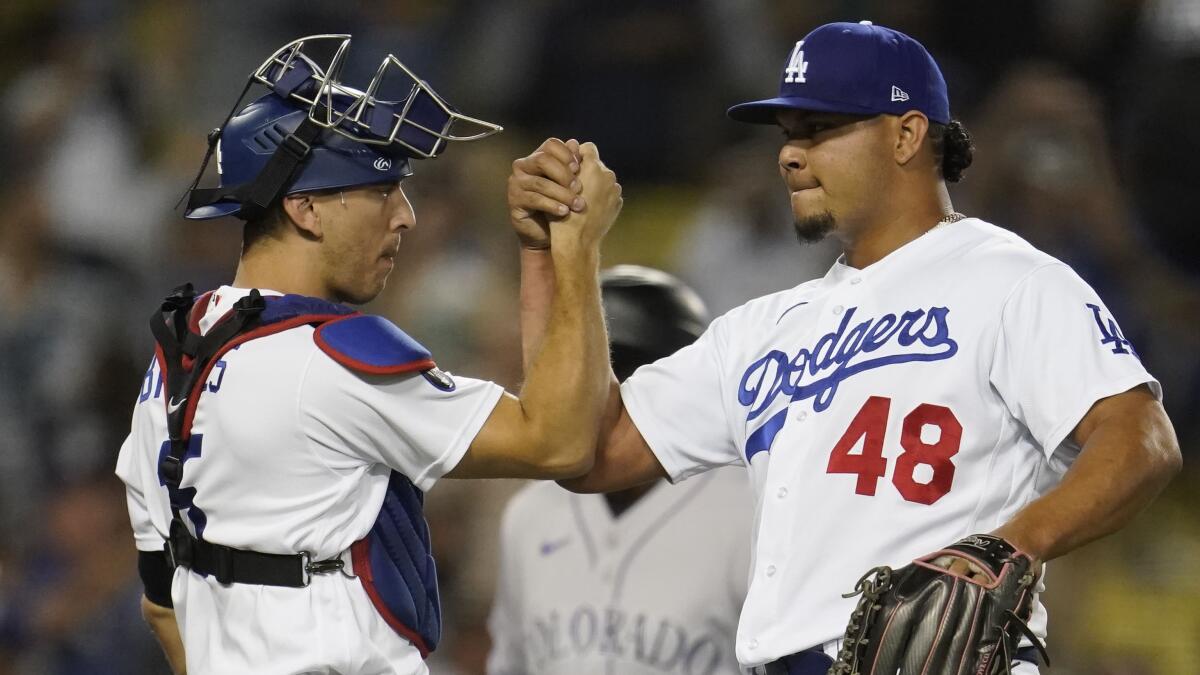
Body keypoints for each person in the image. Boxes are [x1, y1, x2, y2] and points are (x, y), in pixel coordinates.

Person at [512, 20, 1181, 675]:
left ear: (907, 134)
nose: (789, 153)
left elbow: (1142, 440)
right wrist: (550, 254)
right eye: (788, 133)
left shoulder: (1011, 281)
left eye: (820, 129)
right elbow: (580, 448)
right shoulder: (765, 327)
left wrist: (1009, 548)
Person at [115, 35, 621, 675]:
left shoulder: (171, 362)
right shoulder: (328, 359)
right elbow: (561, 442)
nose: (406, 216)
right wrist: (575, 249)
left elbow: (162, 607)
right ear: (305, 208)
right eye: (383, 190)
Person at [486, 266, 752, 675]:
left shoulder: (745, 511)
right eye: (579, 374)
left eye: (620, 374)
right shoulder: (529, 515)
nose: (595, 395)